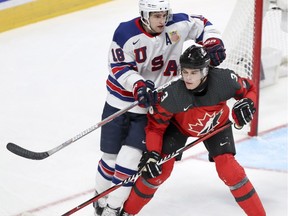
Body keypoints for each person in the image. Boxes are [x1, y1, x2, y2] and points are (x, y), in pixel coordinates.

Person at [94, 0, 226, 215]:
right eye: (156, 16)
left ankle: (113, 208)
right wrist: (137, 84)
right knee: (109, 158)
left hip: (150, 108)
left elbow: (202, 24)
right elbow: (119, 66)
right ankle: (99, 201)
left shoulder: (178, 24)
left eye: (165, 14)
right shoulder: (125, 33)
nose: (162, 20)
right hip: (118, 103)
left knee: (130, 157)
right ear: (144, 14)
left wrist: (213, 40)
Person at [121, 45, 266, 216]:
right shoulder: (171, 94)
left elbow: (250, 89)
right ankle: (127, 213)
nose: (188, 78)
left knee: (230, 171)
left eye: (194, 73)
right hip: (179, 128)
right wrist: (152, 153)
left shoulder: (224, 80)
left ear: (205, 71)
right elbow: (155, 127)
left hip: (216, 126)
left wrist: (249, 102)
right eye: (185, 72)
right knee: (158, 171)